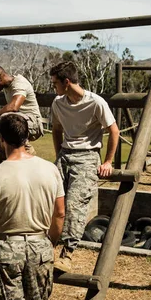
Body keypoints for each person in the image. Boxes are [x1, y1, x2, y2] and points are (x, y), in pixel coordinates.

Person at [0, 114, 65, 300]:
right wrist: (49, 244)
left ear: (1, 139)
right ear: (26, 137)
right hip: (40, 246)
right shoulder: (50, 169)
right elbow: (60, 214)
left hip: (7, 249)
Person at [49, 61, 119, 272]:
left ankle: (67, 254)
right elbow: (56, 129)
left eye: (55, 84)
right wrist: (58, 156)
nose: (54, 88)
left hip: (88, 157)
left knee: (74, 203)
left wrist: (107, 161)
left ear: (67, 82)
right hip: (64, 154)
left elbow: (114, 131)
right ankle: (45, 246)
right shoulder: (58, 103)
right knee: (48, 197)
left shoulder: (96, 102)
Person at [0, 65, 44, 162]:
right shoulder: (6, 86)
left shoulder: (19, 83)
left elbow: (14, 107)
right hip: (17, 120)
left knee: (6, 117)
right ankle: (2, 151)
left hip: (33, 123)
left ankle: (27, 149)